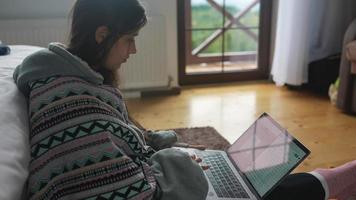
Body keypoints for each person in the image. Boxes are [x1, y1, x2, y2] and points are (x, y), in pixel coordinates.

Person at [12, 0, 356, 199]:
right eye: (129, 39)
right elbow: (126, 192)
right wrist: (179, 165)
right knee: (250, 192)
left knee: (237, 173)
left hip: (149, 171)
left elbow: (116, 143)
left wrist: (170, 152)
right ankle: (338, 179)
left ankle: (329, 179)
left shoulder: (56, 77)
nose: (134, 50)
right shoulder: (73, 98)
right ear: (102, 35)